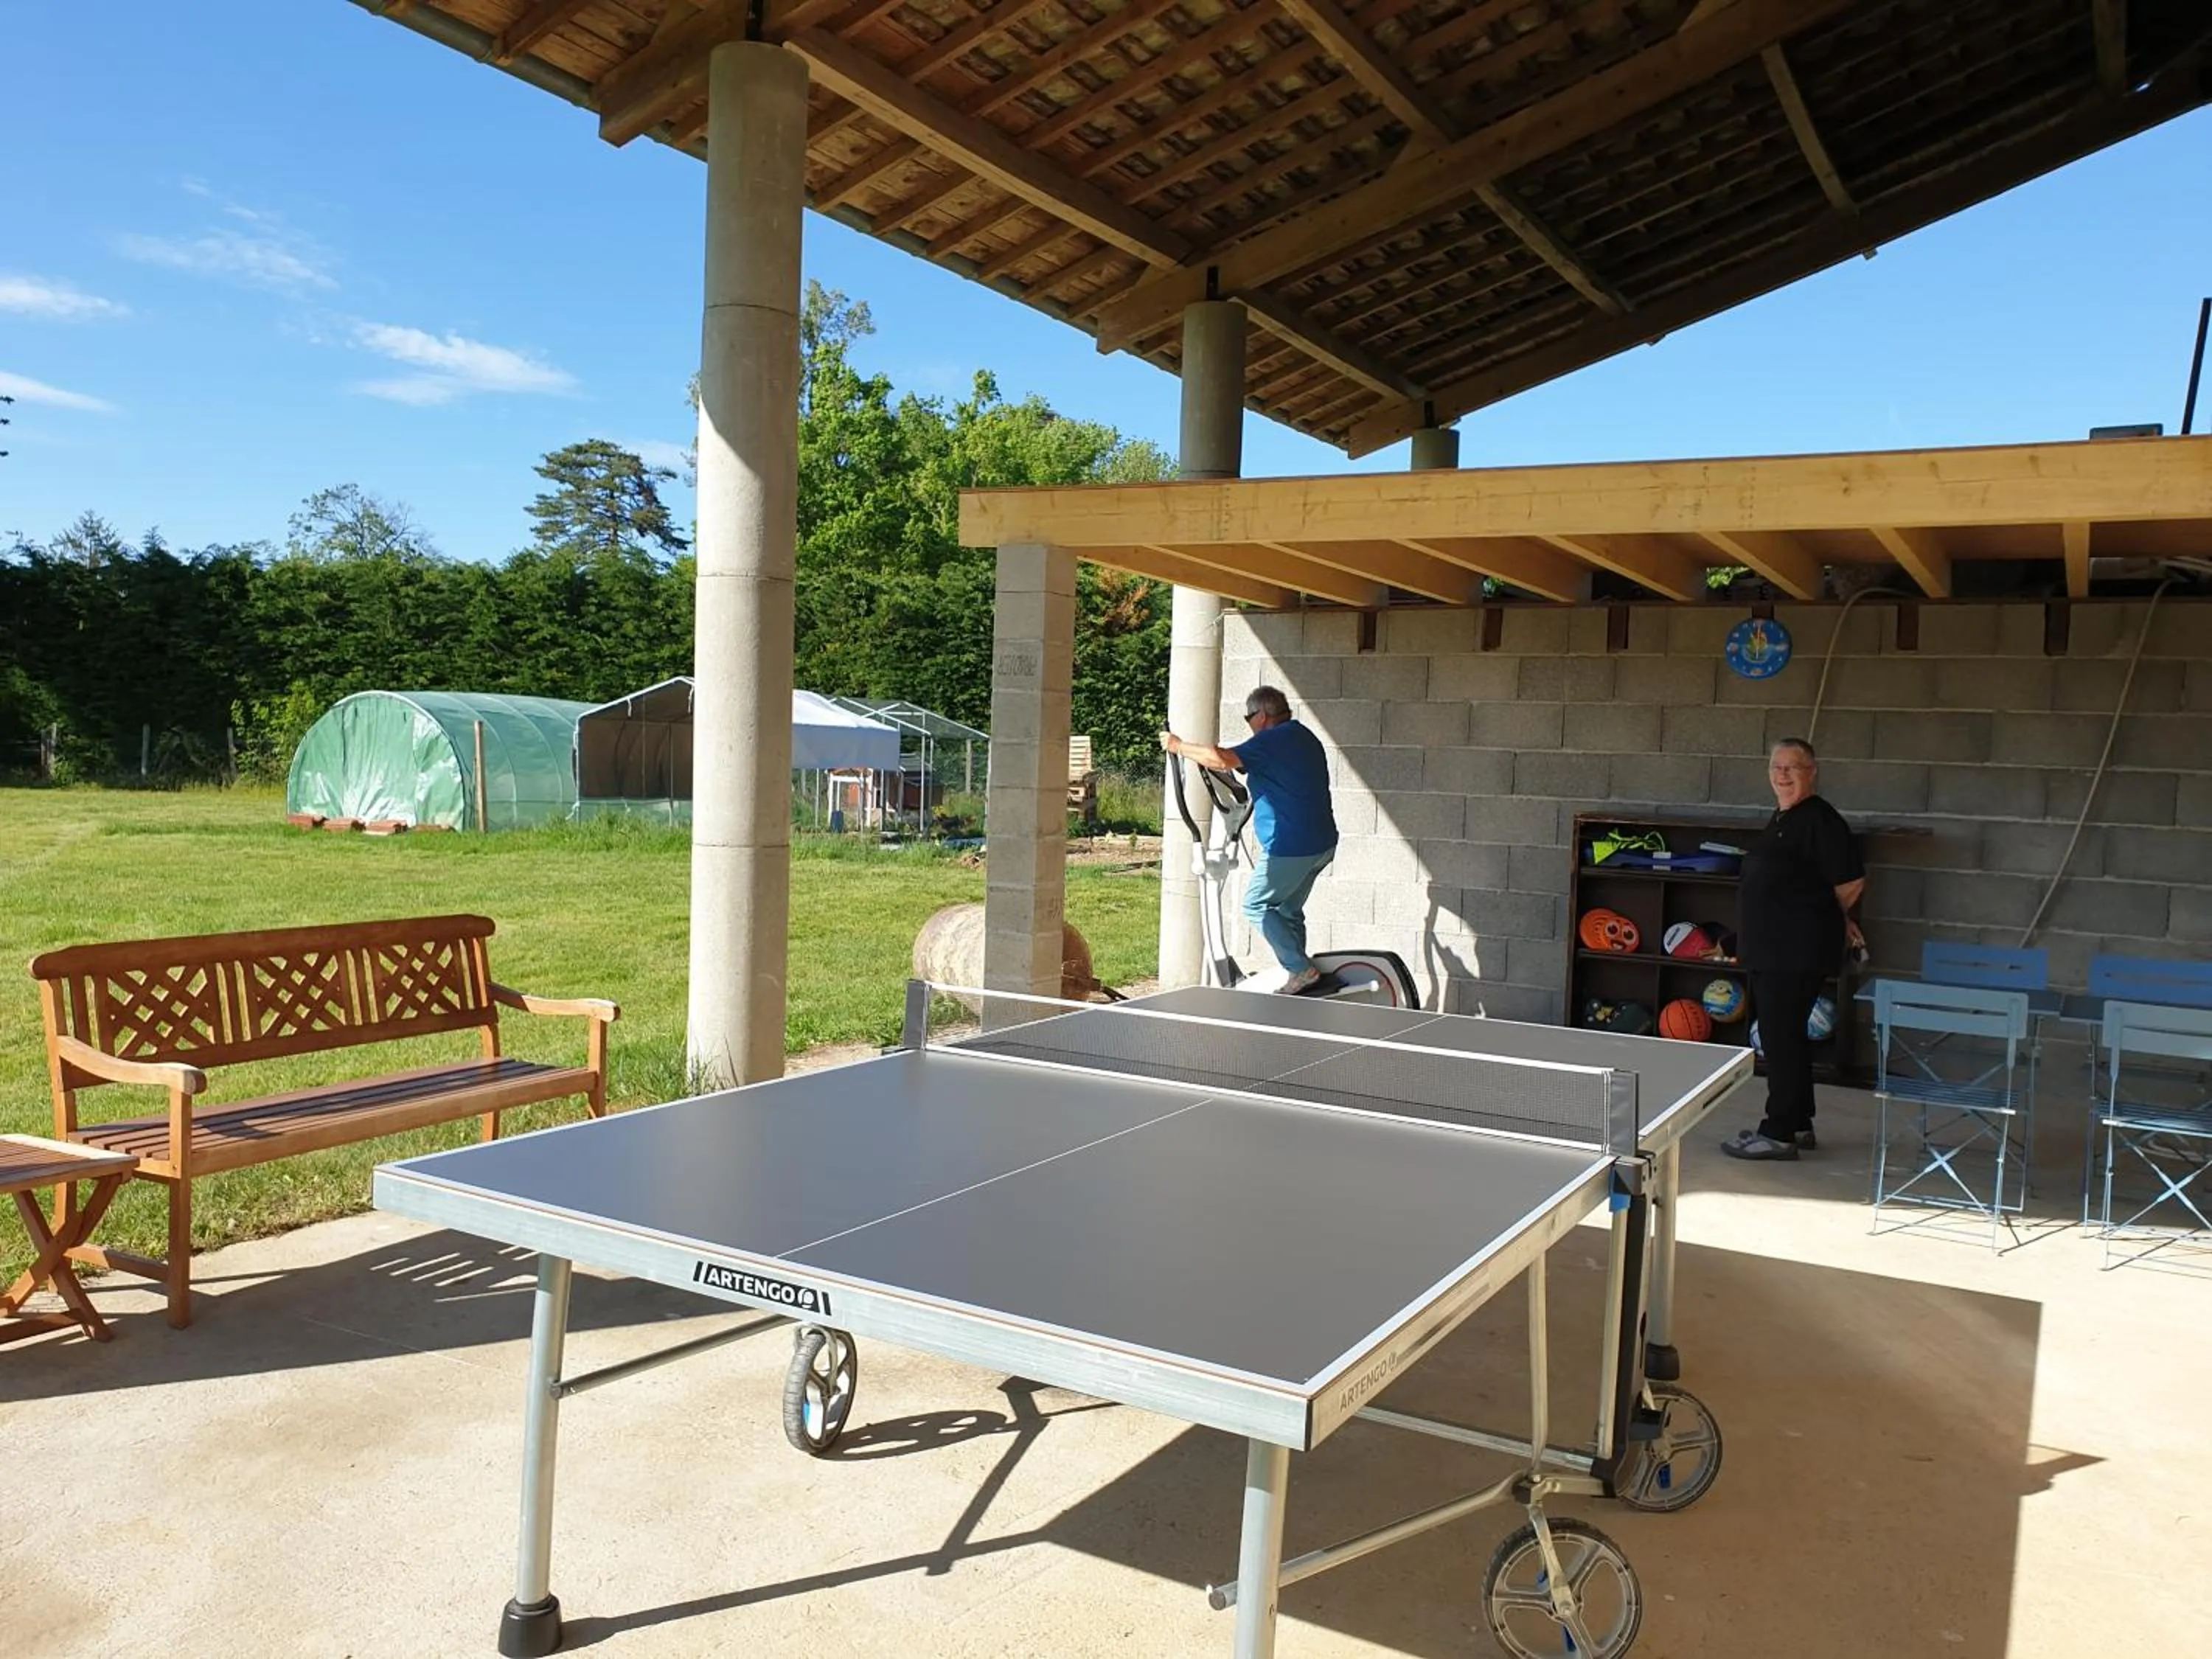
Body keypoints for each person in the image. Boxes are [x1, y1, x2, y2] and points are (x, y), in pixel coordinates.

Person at [1723, 738, 1865, 1161]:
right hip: (1773, 948)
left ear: (1812, 771)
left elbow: (1851, 880)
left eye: (1794, 767)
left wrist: (1821, 915)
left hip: (1794, 950)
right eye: (1777, 766)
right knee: (1785, 1036)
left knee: (1780, 1038)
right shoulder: (1785, 817)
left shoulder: (1822, 820)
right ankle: (1799, 1122)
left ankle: (1779, 1132)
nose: (1783, 774)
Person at [1160, 686, 1338, 994]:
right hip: (1321, 844)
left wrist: (1177, 746)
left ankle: (1300, 969)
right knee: (1288, 910)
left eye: (1248, 717)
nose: (1249, 724)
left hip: (1291, 846)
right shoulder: (1301, 736)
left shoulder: (1272, 740)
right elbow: (1239, 761)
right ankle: (1301, 973)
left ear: (1262, 715)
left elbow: (1220, 760)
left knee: (1256, 904)